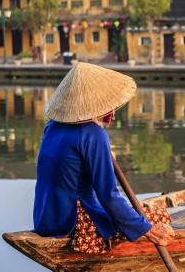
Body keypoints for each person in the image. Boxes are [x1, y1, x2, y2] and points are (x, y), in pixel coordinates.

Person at [33, 62, 174, 254]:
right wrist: (147, 230)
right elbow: (108, 195)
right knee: (159, 216)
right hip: (74, 222)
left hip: (45, 219)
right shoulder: (92, 135)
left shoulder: (52, 127)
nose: (113, 113)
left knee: (140, 212)